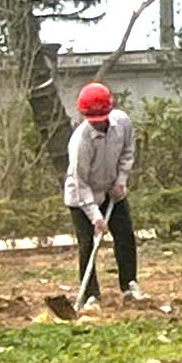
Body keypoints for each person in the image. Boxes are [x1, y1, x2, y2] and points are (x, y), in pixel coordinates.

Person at [63, 81, 141, 306]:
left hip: (112, 189)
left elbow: (128, 152)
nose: (99, 125)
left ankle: (129, 285)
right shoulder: (80, 142)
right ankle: (90, 295)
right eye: (93, 121)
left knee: (125, 235)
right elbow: (81, 182)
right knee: (88, 243)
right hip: (82, 196)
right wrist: (95, 217)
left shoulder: (123, 123)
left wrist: (121, 180)